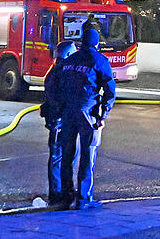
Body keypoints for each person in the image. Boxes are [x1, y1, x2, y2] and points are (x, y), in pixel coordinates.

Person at [55, 29, 116, 209]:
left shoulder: (70, 59)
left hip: (68, 111)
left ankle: (66, 196)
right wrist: (102, 114)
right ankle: (83, 198)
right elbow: (110, 90)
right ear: (96, 43)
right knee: (88, 153)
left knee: (67, 153)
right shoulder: (99, 60)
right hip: (87, 112)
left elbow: (58, 85)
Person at [41, 40, 77, 207]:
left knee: (59, 156)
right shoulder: (62, 72)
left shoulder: (54, 70)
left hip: (55, 120)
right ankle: (57, 193)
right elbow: (59, 98)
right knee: (59, 157)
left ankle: (59, 191)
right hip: (59, 121)